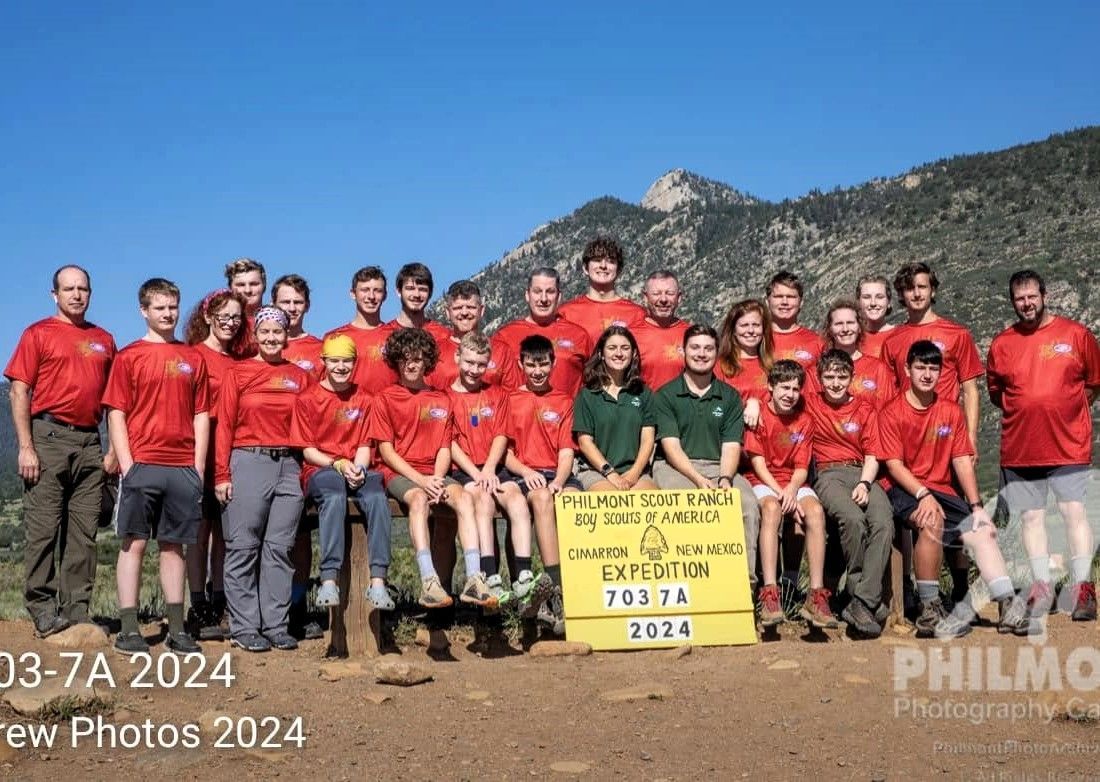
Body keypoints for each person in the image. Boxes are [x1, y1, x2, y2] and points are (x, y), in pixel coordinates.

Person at [878, 340, 1028, 639]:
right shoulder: (891, 412)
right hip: (902, 486)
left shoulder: (950, 410)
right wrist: (923, 494)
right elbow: (894, 466)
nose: (927, 374)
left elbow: (961, 460)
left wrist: (975, 506)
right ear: (907, 369)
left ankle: (1007, 604)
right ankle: (929, 611)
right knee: (932, 521)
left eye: (934, 368)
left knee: (981, 529)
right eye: (920, 367)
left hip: (942, 487)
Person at [5, 265, 117, 637]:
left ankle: (76, 609)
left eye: (82, 288)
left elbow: (116, 400)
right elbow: (19, 391)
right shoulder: (38, 333)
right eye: (68, 289)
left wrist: (114, 448)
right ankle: (42, 605)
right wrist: (26, 447)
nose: (76, 295)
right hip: (48, 436)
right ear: (55, 294)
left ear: (90, 293)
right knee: (44, 528)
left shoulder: (104, 339)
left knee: (84, 533)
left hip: (90, 440)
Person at [102, 278, 209, 654]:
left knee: (173, 547)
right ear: (144, 310)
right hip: (142, 464)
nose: (168, 314)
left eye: (172, 307)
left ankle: (177, 628)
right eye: (160, 308)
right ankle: (129, 629)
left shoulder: (193, 358)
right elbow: (116, 413)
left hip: (181, 467)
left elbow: (201, 414)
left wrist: (197, 467)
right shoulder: (128, 357)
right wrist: (129, 466)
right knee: (133, 544)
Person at [987, 269, 1100, 624]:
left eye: (1032, 296)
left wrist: (1066, 413)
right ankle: (1042, 586)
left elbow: (1093, 384)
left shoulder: (1076, 335)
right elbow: (997, 394)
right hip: (1022, 447)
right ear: (1012, 302)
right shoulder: (1002, 343)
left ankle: (1083, 587)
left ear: (1044, 295)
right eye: (1019, 298)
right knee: (1032, 518)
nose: (1026, 303)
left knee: (1072, 512)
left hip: (1068, 445)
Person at [880, 262, 983, 606]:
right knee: (924, 517)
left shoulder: (957, 334)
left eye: (922, 287)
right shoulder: (892, 340)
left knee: (962, 524)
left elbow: (970, 390)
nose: (916, 294)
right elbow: (892, 392)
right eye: (909, 289)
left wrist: (969, 439)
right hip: (908, 450)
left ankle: (961, 586)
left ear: (933, 289)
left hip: (947, 440)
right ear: (901, 295)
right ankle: (917, 593)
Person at [370, 327, 495, 609]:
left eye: (417, 358)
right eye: (404, 359)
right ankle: (429, 581)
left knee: (464, 498)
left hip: (435, 472)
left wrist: (437, 478)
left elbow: (444, 446)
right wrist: (422, 482)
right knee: (418, 501)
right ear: (395, 361)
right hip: (401, 474)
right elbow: (386, 452)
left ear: (428, 361)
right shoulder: (385, 398)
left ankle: (475, 578)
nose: (411, 365)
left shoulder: (441, 398)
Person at [215, 306, 311, 652]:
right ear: (255, 335)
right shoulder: (238, 373)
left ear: (287, 336)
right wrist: (222, 474)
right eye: (265, 332)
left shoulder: (300, 377)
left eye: (278, 332)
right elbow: (224, 426)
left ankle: (276, 624)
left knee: (280, 548)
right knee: (243, 546)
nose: (271, 338)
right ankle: (244, 626)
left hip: (289, 465)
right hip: (248, 460)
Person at [447, 332, 553, 610]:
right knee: (482, 500)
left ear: (489, 364)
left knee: (517, 500)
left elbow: (501, 436)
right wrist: (476, 474)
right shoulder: (446, 396)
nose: (474, 370)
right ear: (457, 358)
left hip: (495, 467)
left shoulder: (497, 394)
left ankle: (523, 575)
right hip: (463, 471)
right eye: (469, 362)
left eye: (481, 365)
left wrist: (491, 467)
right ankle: (489, 575)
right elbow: (450, 442)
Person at [651, 324, 760, 587]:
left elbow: (731, 445)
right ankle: (687, 582)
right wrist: (698, 480)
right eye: (695, 347)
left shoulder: (729, 396)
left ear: (716, 352)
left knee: (746, 505)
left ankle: (744, 585)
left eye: (708, 348)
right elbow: (671, 447)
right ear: (683, 351)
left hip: (718, 465)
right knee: (683, 502)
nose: (701, 353)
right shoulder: (665, 395)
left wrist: (725, 478)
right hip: (676, 467)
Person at [291, 334, 394, 611]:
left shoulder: (364, 398)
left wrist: (359, 469)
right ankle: (329, 579)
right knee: (334, 496)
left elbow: (364, 443)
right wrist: (336, 463)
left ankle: (378, 581)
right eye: (334, 361)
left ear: (355, 363)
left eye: (346, 361)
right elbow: (307, 450)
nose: (340, 367)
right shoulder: (307, 398)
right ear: (323, 361)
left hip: (355, 466)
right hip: (321, 468)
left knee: (376, 496)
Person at [806, 350, 893, 637]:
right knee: (853, 519)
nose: (835, 383)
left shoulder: (865, 409)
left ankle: (861, 600)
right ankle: (864, 596)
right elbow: (780, 396)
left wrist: (865, 484)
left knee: (882, 521)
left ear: (851, 378)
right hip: (829, 473)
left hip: (861, 472)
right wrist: (755, 401)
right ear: (819, 379)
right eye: (828, 377)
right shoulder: (810, 404)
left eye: (841, 377)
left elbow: (872, 453)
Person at [747, 360, 836, 630]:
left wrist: (791, 492)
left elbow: (801, 467)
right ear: (771, 388)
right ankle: (770, 593)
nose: (790, 394)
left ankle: (816, 595)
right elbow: (757, 462)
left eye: (796, 389)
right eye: (784, 388)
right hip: (763, 480)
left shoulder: (804, 420)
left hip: (792, 483)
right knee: (772, 509)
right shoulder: (760, 414)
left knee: (816, 513)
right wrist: (781, 493)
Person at [503, 335, 583, 635]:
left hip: (557, 474)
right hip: (523, 475)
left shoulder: (563, 400)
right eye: (531, 365)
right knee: (541, 498)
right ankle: (555, 590)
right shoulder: (510, 400)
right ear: (521, 364)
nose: (537, 371)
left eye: (543, 364)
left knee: (575, 502)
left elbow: (566, 452)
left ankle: (583, 589)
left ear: (553, 363)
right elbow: (505, 453)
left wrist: (561, 481)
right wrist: (525, 471)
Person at [182, 288, 249, 641]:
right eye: (223, 316)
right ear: (207, 316)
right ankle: (198, 604)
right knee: (199, 531)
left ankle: (220, 598)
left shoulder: (241, 361)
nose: (229, 322)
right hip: (198, 453)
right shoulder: (192, 356)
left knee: (224, 534)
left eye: (236, 317)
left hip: (232, 454)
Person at [573, 326, 658, 491]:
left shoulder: (644, 393)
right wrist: (610, 473)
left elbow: (648, 440)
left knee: (648, 500)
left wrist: (634, 473)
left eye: (625, 348)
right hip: (596, 471)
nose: (619, 353)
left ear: (633, 354)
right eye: (612, 348)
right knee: (611, 502)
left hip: (635, 470)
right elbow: (585, 442)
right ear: (601, 354)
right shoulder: (587, 395)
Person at [494, 267, 591, 396]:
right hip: (519, 415)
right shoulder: (504, 336)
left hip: (568, 415)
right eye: (537, 291)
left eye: (550, 292)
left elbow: (593, 384)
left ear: (559, 296)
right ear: (527, 295)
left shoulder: (579, 336)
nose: (543, 298)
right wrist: (474, 417)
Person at [429, 280, 522, 390]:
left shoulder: (502, 351)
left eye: (471, 307)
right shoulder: (435, 352)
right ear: (448, 313)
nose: (464, 313)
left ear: (481, 310)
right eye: (458, 308)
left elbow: (515, 397)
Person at [324, 266, 398, 394]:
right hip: (350, 411)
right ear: (353, 294)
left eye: (377, 291)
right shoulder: (334, 337)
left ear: (385, 295)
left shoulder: (396, 335)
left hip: (388, 411)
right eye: (365, 290)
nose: (371, 296)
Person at [558, 237, 645, 344]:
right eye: (597, 260)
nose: (603, 266)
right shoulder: (566, 313)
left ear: (619, 270)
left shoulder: (637, 314)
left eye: (611, 261)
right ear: (585, 268)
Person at [821, 299, 897, 409]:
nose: (845, 329)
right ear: (830, 329)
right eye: (838, 324)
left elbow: (889, 412)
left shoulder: (878, 369)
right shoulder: (818, 369)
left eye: (850, 323)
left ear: (860, 327)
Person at [715, 299, 774, 427]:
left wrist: (757, 403)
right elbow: (715, 409)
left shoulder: (772, 366)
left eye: (756, 325)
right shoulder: (719, 366)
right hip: (734, 440)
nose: (751, 330)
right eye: (744, 325)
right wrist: (747, 404)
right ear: (733, 331)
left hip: (766, 441)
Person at [631, 270, 690, 390]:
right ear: (645, 297)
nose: (663, 299)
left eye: (669, 293)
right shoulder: (631, 335)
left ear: (679, 298)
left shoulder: (691, 335)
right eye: (656, 293)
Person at [766, 271, 824, 373]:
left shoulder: (817, 342)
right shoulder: (756, 341)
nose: (784, 302)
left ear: (801, 303)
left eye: (791, 297)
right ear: (767, 302)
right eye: (778, 297)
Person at [386, 262, 451, 342]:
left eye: (422, 289)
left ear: (430, 293)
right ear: (399, 291)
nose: (416, 295)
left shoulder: (444, 336)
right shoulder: (384, 335)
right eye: (410, 288)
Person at [273, 274, 324, 376]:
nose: (292, 308)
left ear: (307, 306)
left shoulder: (321, 349)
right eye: (286, 302)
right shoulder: (262, 347)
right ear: (273, 305)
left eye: (298, 302)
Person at [224, 257, 266, 357]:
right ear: (230, 288)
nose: (248, 290)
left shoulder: (276, 321)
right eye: (241, 285)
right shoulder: (221, 323)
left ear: (264, 286)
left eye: (254, 284)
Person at [856, 275, 896, 359]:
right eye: (867, 297)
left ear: (888, 302)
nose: (873, 303)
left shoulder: (900, 335)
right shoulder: (851, 337)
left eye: (879, 297)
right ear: (858, 302)